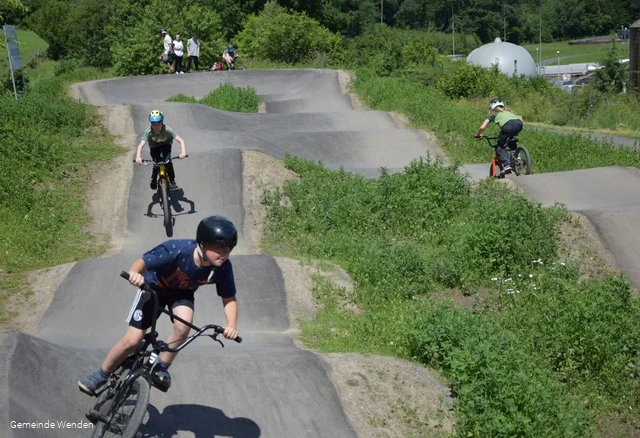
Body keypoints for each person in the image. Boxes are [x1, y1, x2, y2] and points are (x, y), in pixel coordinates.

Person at [78, 216, 240, 395]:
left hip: (181, 293)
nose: (224, 254)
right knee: (133, 339)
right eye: (219, 248)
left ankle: (162, 367)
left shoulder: (223, 267)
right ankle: (101, 374)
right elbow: (142, 263)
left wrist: (231, 325)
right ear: (202, 243)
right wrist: (135, 273)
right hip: (153, 287)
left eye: (229, 249)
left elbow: (229, 298)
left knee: (184, 324)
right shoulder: (175, 250)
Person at [135, 110, 187, 192]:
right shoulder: (148, 131)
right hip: (154, 146)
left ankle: (172, 181)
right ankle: (154, 179)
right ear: (151, 124)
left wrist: (183, 152)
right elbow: (141, 145)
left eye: (158, 123)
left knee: (168, 162)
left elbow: (181, 140)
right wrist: (138, 156)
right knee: (156, 164)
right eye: (153, 124)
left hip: (166, 143)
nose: (156, 126)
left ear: (162, 122)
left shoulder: (168, 129)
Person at [474, 98, 523, 176]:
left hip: (507, 126)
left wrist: (478, 134)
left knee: (499, 147)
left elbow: (482, 127)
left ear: (491, 107)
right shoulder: (508, 111)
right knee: (510, 139)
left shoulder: (492, 113)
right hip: (519, 123)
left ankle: (507, 165)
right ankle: (517, 156)